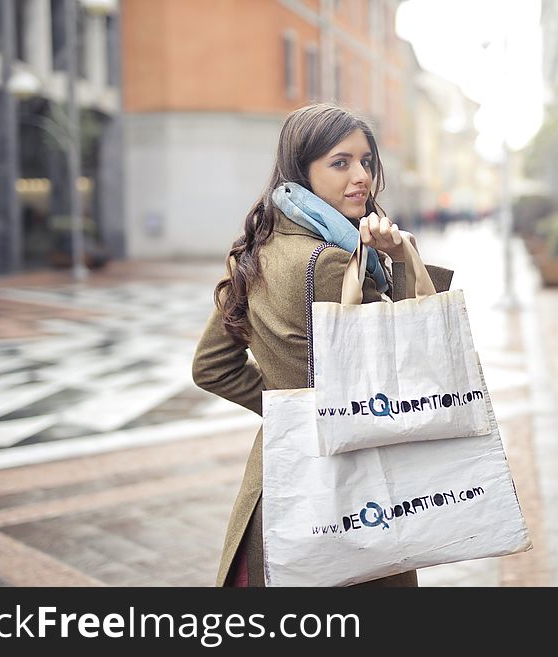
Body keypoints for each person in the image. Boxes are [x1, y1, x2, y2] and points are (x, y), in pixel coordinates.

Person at [192, 104, 454, 587]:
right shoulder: (335, 264)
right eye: (341, 163)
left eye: (367, 162)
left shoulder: (256, 250)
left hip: (275, 487)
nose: (361, 178)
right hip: (350, 497)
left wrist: (290, 410)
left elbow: (211, 367)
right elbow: (411, 358)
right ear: (302, 170)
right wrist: (401, 257)